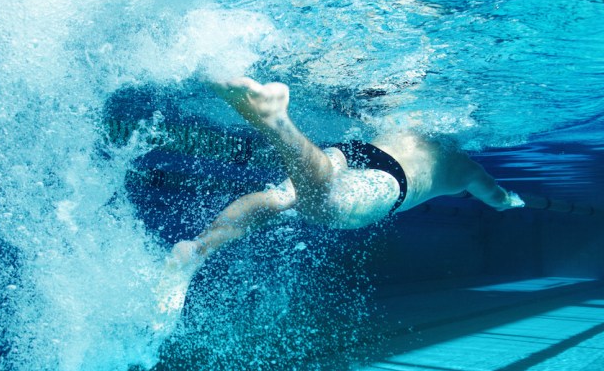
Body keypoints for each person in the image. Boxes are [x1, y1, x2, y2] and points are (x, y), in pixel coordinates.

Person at [152, 76, 524, 327]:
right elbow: (498, 198)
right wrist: (514, 201)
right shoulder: (464, 167)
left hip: (357, 150)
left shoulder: (407, 121)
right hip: (394, 179)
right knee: (325, 205)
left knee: (280, 198)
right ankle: (277, 122)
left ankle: (196, 250)